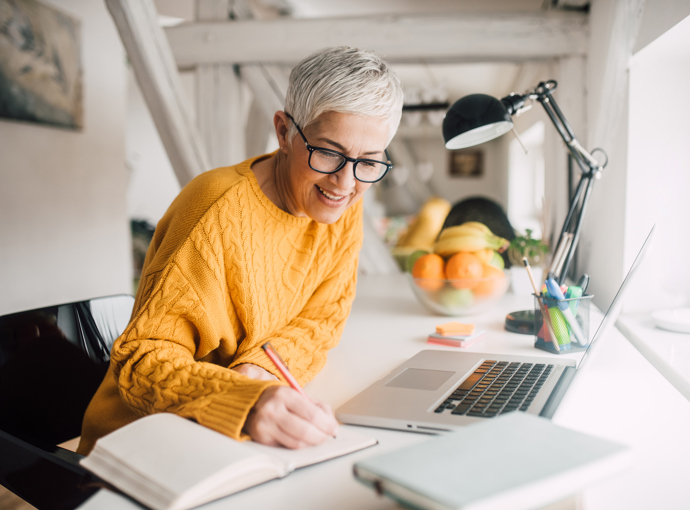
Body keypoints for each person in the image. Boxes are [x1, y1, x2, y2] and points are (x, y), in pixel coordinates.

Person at [77, 47, 404, 455]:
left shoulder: (343, 204)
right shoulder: (214, 210)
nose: (344, 182)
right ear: (284, 132)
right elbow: (142, 361)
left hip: (231, 439)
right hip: (138, 445)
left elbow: (322, 318)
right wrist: (242, 399)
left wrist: (260, 371)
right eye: (328, 152)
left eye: (369, 162)